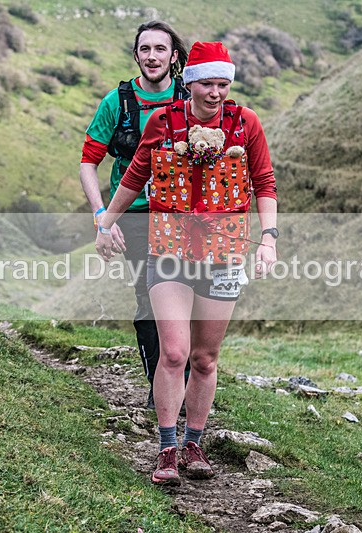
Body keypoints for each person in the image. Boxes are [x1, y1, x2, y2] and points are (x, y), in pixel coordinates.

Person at [95, 41, 278, 485]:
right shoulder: (165, 121)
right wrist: (106, 223)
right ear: (190, 82)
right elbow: (136, 175)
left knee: (205, 358)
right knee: (173, 352)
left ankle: (195, 442)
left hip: (226, 251)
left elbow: (264, 181)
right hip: (169, 248)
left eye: (223, 83)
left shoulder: (245, 123)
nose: (215, 92)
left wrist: (268, 239)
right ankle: (167, 449)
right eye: (207, 83)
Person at [80, 20, 189, 409]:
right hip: (137, 217)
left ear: (174, 55)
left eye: (161, 49)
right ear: (136, 55)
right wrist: (101, 217)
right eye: (145, 49)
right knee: (149, 298)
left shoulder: (191, 97)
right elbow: (87, 163)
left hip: (186, 216)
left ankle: (183, 386)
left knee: (189, 297)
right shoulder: (117, 103)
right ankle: (160, 389)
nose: (152, 57)